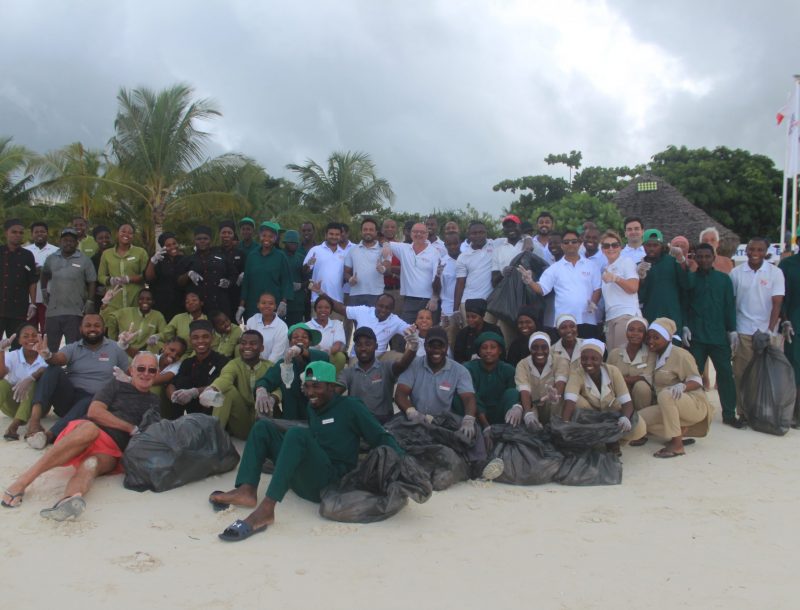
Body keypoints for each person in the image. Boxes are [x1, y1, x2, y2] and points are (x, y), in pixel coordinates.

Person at [210, 361, 405, 542]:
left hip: (329, 482)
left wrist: (403, 462)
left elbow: (380, 437)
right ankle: (246, 490)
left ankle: (267, 509)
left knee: (296, 434)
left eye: (317, 386)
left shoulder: (351, 407)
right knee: (263, 427)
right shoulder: (313, 407)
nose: (310, 392)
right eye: (307, 386)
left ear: (332, 387)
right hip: (305, 476)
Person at [1, 352, 160, 518]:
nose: (146, 373)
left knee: (91, 464)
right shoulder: (116, 386)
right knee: (90, 429)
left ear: (156, 374)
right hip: (86, 431)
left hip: (112, 449)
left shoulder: (154, 401)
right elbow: (95, 411)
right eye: (141, 368)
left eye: (151, 370)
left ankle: (68, 500)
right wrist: (130, 428)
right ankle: (22, 482)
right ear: (131, 370)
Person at [24, 314, 130, 448]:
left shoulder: (116, 348)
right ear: (80, 329)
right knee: (52, 369)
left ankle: (49, 435)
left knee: (91, 400)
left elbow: (128, 373)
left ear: (104, 329)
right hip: (70, 400)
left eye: (97, 326)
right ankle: (34, 422)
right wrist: (48, 355)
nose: (92, 329)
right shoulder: (73, 347)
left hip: (99, 403)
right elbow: (58, 359)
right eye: (88, 325)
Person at [638, 318, 713, 458]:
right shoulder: (653, 355)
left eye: (656, 337)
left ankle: (677, 445)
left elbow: (697, 380)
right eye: (649, 337)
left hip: (692, 404)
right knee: (639, 421)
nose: (651, 341)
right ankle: (680, 429)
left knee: (666, 394)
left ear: (667, 338)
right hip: (667, 405)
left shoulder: (680, 354)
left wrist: (683, 385)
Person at [682, 243, 738, 426]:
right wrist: (685, 326)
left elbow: (729, 306)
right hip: (696, 336)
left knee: (725, 375)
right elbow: (684, 305)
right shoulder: (689, 279)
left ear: (714, 258)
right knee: (693, 376)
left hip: (718, 335)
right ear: (695, 258)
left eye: (707, 256)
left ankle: (729, 414)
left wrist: (732, 330)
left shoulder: (723, 280)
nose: (704, 260)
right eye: (700, 256)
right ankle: (691, 413)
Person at [730, 237, 785, 420]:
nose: (755, 253)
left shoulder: (775, 273)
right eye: (751, 249)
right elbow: (732, 302)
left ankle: (763, 411)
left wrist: (769, 330)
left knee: (766, 374)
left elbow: (777, 303)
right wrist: (732, 330)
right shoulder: (736, 273)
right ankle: (743, 411)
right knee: (741, 373)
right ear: (746, 251)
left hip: (766, 332)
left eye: (759, 250)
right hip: (743, 329)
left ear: (766, 251)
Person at [561, 340, 647, 454]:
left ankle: (614, 441)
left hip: (612, 415)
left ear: (601, 359)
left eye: (594, 358)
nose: (588, 362)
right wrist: (565, 426)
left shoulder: (613, 371)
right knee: (577, 402)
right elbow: (569, 401)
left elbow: (627, 402)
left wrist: (625, 417)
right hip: (591, 417)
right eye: (584, 358)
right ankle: (593, 440)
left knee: (639, 429)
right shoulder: (576, 373)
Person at [521, 228, 602, 339]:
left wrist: (593, 303)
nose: (570, 244)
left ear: (579, 244)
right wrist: (530, 281)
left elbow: (597, 288)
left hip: (587, 319)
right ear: (562, 246)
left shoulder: (592, 265)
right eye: (566, 242)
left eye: (574, 241)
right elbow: (542, 289)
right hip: (564, 322)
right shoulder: (554, 268)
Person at [200, 330, 271, 439]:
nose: (247, 346)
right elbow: (225, 378)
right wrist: (211, 389)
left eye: (252, 343)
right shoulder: (234, 364)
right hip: (242, 422)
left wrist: (272, 397)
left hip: (266, 422)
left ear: (261, 348)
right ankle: (213, 438)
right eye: (243, 343)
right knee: (227, 391)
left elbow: (279, 388)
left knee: (267, 397)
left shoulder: (270, 367)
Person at [338, 326, 417, 423]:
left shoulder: (386, 367)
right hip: (357, 420)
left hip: (383, 422)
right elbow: (336, 390)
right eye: (359, 345)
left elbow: (402, 364)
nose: (363, 348)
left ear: (376, 346)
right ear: (354, 348)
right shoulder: (348, 372)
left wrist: (412, 349)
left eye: (368, 344)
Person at [254, 323, 328, 421]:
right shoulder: (284, 363)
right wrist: (261, 390)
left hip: (317, 419)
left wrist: (301, 350)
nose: (300, 339)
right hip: (290, 421)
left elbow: (324, 357)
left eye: (304, 337)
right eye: (295, 337)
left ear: (309, 342)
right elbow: (266, 380)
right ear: (290, 342)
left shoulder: (319, 359)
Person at [40, 227, 97, 352]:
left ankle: (73, 371)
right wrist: (44, 292)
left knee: (74, 348)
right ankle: (52, 371)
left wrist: (90, 301)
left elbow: (92, 281)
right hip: (53, 312)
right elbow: (44, 274)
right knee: (50, 349)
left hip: (75, 312)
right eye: (65, 240)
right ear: (60, 242)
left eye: (71, 240)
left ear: (76, 243)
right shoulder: (52, 258)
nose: (68, 243)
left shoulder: (84, 260)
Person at [315, 289, 409, 360]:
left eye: (387, 308)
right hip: (358, 356)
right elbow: (341, 308)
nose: (383, 310)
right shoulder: (363, 311)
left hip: (380, 358)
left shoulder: (395, 321)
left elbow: (412, 332)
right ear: (375, 304)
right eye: (381, 306)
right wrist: (321, 293)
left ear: (392, 309)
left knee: (401, 359)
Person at [166, 319, 229, 419]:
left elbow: (219, 386)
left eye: (205, 337)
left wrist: (194, 392)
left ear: (212, 338)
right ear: (190, 340)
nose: (200, 341)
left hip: (211, 413)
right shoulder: (187, 363)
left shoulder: (222, 361)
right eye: (195, 337)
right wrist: (174, 396)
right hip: (190, 413)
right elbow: (172, 383)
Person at [459, 332, 520, 429]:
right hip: (474, 415)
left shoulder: (508, 369)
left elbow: (513, 394)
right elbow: (472, 396)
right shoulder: (469, 368)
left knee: (513, 393)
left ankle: (508, 429)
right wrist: (485, 425)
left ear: (500, 350)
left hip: (499, 414)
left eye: (493, 347)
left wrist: (517, 407)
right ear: (479, 351)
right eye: (484, 347)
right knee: (462, 395)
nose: (488, 351)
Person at [384, 222, 441, 324]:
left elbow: (437, 277)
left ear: (427, 234)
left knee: (427, 334)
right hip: (409, 300)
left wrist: (435, 298)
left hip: (428, 301)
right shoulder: (404, 248)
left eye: (422, 232)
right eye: (415, 232)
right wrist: (386, 250)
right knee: (406, 333)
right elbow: (385, 243)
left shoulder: (434, 252)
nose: (418, 234)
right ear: (410, 234)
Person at [0, 324, 48, 440]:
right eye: (26, 336)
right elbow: (1, 374)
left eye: (34, 335)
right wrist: (1, 351)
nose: (31, 339)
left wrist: (31, 378)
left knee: (33, 383)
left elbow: (49, 369)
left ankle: (13, 427)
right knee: (2, 384)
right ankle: (17, 420)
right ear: (19, 341)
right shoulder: (12, 356)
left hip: (37, 409)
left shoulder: (46, 354)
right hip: (13, 405)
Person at [238, 222, 293, 322]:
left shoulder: (281, 257)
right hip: (253, 304)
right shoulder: (252, 256)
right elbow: (246, 282)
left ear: (275, 238)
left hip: (273, 305)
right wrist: (241, 306)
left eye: (271, 236)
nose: (267, 239)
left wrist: (283, 302)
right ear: (259, 236)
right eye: (264, 235)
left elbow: (286, 281)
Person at [178, 226, 237, 317]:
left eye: (205, 238)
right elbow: (179, 282)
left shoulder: (222, 257)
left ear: (211, 240)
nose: (202, 241)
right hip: (198, 308)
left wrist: (228, 282)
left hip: (220, 305)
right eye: (199, 239)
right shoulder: (187, 260)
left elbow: (233, 274)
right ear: (195, 240)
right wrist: (188, 274)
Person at [514, 331, 569, 427]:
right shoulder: (522, 365)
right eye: (535, 347)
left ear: (549, 348)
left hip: (554, 404)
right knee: (532, 428)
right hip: (533, 404)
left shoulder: (560, 361)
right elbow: (524, 390)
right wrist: (527, 413)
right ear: (530, 349)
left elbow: (561, 381)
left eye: (544, 347)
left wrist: (555, 393)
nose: (539, 351)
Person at [637, 229, 688, 330]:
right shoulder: (640, 266)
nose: (652, 248)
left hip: (673, 317)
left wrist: (681, 260)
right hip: (650, 317)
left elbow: (686, 283)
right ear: (643, 246)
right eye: (648, 245)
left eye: (655, 245)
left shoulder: (673, 261)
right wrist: (641, 278)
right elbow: (640, 297)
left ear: (661, 246)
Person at [599, 230, 640, 350]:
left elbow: (633, 288)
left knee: (622, 356)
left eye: (614, 245)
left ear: (620, 247)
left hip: (625, 314)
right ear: (602, 249)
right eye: (606, 246)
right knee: (613, 357)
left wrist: (616, 279)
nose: (610, 248)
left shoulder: (626, 262)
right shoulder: (606, 268)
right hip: (610, 318)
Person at [97, 223, 148, 320]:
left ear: (133, 236)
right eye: (123, 231)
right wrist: (110, 280)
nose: (126, 234)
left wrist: (129, 279)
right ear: (117, 234)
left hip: (134, 299)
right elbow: (100, 276)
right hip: (114, 301)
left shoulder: (140, 252)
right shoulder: (107, 254)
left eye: (130, 233)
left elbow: (146, 275)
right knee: (112, 330)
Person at [606, 316, 655, 412]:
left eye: (640, 331)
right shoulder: (615, 353)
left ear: (645, 335)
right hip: (619, 393)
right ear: (626, 332)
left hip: (642, 398)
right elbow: (607, 376)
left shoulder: (651, 354)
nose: (635, 333)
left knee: (641, 386)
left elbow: (647, 377)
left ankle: (641, 417)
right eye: (631, 329)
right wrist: (628, 380)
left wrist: (624, 379)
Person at [0, 219, 37, 340]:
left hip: (18, 308)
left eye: (20, 233)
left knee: (17, 344)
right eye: (14, 232)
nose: (17, 235)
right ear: (6, 233)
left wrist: (33, 304)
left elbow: (32, 281)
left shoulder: (27, 255)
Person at [452, 221, 494, 326]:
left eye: (481, 232)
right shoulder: (463, 257)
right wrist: (455, 309)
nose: (478, 235)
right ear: (469, 236)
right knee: (470, 335)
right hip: (467, 302)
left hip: (489, 303)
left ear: (486, 233)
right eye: (474, 233)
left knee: (486, 336)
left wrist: (528, 238)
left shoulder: (495, 245)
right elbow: (460, 284)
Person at [106, 289, 166, 356]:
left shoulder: (158, 315)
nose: (145, 301)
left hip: (144, 352)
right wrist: (113, 341)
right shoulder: (126, 312)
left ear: (153, 301)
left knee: (160, 344)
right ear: (137, 301)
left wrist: (156, 337)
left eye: (148, 299)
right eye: (141, 299)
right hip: (124, 349)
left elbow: (165, 334)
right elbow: (109, 318)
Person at [779, 237, 800, 425]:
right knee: (795, 370)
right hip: (795, 326)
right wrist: (785, 321)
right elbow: (781, 297)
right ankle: (794, 413)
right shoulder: (787, 265)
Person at [24, 221, 59, 333]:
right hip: (29, 299)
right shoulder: (26, 251)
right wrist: (32, 270)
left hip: (48, 297)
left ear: (47, 233)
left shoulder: (56, 251)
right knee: (30, 331)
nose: (39, 234)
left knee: (47, 331)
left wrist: (44, 271)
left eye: (42, 231)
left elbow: (60, 272)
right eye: (36, 232)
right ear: (32, 234)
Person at [303, 222, 346, 311]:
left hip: (337, 301)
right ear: (326, 235)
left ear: (341, 236)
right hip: (318, 299)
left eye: (337, 234)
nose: (334, 237)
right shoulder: (315, 250)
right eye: (331, 234)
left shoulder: (344, 253)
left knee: (337, 325)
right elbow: (305, 271)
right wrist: (309, 264)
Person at [144, 231, 185, 323]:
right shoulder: (159, 259)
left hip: (180, 304)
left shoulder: (184, 259)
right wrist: (152, 262)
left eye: (174, 243)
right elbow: (148, 278)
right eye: (168, 245)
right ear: (163, 247)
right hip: (162, 303)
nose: (173, 247)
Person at [344, 218, 385, 308]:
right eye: (365, 229)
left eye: (371, 230)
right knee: (356, 322)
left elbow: (388, 267)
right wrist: (350, 279)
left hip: (376, 294)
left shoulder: (383, 249)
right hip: (356, 294)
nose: (368, 232)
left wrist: (383, 268)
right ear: (361, 232)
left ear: (376, 232)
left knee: (375, 321)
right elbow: (346, 271)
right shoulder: (353, 249)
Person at [153, 291, 208, 359]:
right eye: (187, 302)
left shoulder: (207, 320)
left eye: (194, 300)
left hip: (197, 354)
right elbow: (166, 333)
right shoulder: (179, 317)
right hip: (177, 352)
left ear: (201, 302)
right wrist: (156, 337)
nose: (190, 303)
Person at [453, 299, 502, 363]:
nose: (470, 320)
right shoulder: (462, 333)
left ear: (482, 316)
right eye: (467, 317)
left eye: (473, 317)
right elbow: (458, 357)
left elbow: (501, 354)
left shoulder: (494, 330)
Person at [244, 293, 289, 363]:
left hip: (272, 366)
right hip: (251, 363)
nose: (267, 306)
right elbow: (246, 345)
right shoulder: (252, 320)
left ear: (275, 306)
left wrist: (263, 369)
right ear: (258, 305)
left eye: (271, 303)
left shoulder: (282, 327)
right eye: (263, 303)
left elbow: (276, 355)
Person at [307, 295, 346, 373]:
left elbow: (337, 345)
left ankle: (333, 382)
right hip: (312, 357)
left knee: (340, 357)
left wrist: (326, 353)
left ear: (331, 310)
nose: (323, 310)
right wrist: (317, 354)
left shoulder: (337, 323)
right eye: (319, 307)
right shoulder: (307, 325)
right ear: (315, 309)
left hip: (329, 355)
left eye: (327, 308)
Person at [439, 232, 462, 346]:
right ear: (445, 245)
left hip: (466, 306)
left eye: (455, 243)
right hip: (448, 309)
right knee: (450, 342)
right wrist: (437, 276)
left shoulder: (466, 258)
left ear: (460, 243)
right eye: (449, 244)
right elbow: (438, 289)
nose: (453, 247)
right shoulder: (442, 262)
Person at [281, 230, 306, 326]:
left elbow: (309, 279)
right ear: (285, 243)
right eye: (291, 243)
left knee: (295, 331)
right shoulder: (280, 256)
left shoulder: (301, 258)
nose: (293, 245)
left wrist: (301, 285)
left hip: (297, 302)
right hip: (281, 301)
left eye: (295, 243)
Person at [380, 218, 403, 316]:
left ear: (396, 230)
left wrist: (388, 269)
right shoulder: (376, 246)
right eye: (386, 227)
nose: (389, 229)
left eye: (392, 227)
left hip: (396, 291)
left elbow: (405, 269)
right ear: (382, 229)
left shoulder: (401, 247)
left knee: (397, 321)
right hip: (380, 291)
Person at [89, 226, 113, 313]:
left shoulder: (118, 253)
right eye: (100, 238)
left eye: (107, 237)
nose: (104, 240)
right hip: (100, 297)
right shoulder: (94, 259)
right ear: (95, 240)